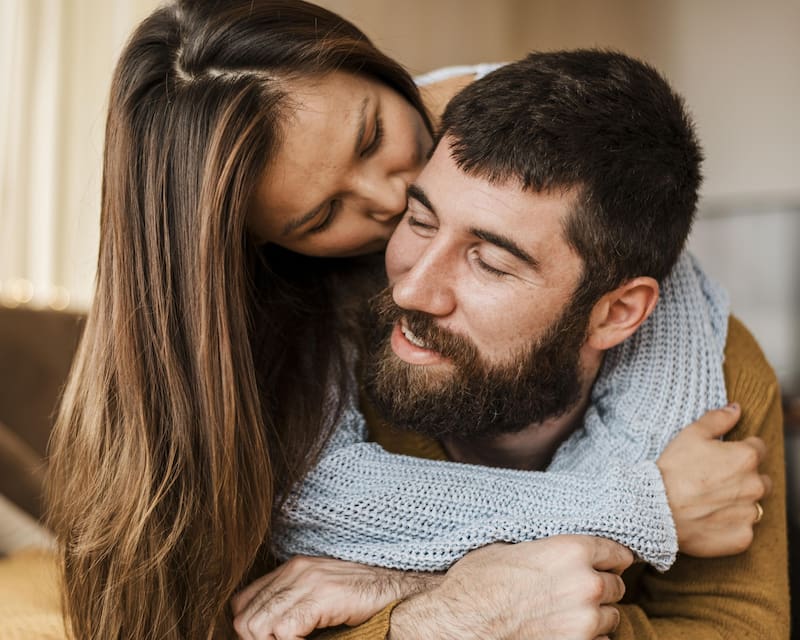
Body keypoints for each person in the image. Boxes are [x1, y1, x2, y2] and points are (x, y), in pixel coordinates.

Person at [40, 3, 770, 639]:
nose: (394, 201)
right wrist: (441, 613)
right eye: (324, 214)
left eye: (370, 137)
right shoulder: (267, 362)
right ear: (270, 245)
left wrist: (403, 584)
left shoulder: (494, 114)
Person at [230, 51, 789, 640]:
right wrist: (443, 615)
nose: (413, 289)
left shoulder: (713, 374)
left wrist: (409, 587)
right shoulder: (286, 352)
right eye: (419, 221)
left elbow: (735, 627)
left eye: (490, 262)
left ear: (618, 312)